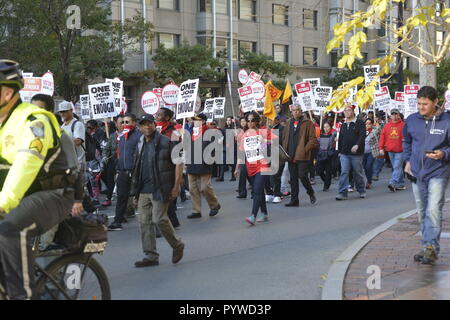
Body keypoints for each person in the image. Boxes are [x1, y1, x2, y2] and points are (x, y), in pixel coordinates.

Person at [0, 60, 83, 299]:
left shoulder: (35, 120)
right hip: (22, 197)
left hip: (53, 194)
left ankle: (23, 295)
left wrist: (4, 201)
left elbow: (27, 163)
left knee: (8, 230)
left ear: (7, 92)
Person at [403, 86, 450, 265]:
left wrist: (443, 153)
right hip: (416, 172)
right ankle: (426, 246)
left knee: (433, 209)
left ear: (435, 102)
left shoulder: (447, 121)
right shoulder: (412, 120)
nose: (421, 107)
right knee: (422, 211)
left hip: (439, 171)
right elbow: (406, 141)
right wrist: (407, 160)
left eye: (425, 104)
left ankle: (431, 247)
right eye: (419, 103)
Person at [130, 115, 184, 267]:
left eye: (149, 124)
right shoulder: (140, 142)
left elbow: (179, 164)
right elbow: (137, 167)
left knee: (159, 219)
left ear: (154, 125)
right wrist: (135, 192)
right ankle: (151, 255)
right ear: (140, 127)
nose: (146, 127)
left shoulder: (166, 142)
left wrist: (176, 186)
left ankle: (177, 245)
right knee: (144, 222)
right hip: (143, 189)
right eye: (143, 125)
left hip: (161, 187)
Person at [235, 111, 271, 225]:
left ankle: (253, 216)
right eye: (248, 121)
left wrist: (264, 142)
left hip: (262, 165)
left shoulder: (263, 132)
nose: (250, 123)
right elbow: (241, 153)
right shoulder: (244, 135)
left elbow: (273, 146)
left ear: (257, 121)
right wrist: (237, 168)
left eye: (252, 120)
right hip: (250, 166)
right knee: (259, 191)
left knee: (256, 190)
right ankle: (264, 213)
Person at [108, 113, 141, 231]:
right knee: (121, 196)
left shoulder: (139, 136)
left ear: (134, 123)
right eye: (123, 122)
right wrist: (118, 169)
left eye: (128, 122)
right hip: (123, 171)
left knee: (142, 199)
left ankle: (157, 223)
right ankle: (118, 220)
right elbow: (120, 155)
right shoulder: (122, 137)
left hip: (136, 172)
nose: (125, 124)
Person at [281, 104, 318, 207]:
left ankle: (310, 192)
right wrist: (284, 150)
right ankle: (294, 200)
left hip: (303, 155)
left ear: (301, 111)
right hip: (290, 154)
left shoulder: (308, 123)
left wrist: (305, 150)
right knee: (293, 179)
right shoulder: (289, 123)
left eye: (298, 110)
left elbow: (313, 139)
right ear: (291, 112)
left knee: (302, 176)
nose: (296, 112)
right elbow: (285, 137)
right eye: (294, 110)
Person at [185, 113, 221, 219]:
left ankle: (214, 205)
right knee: (192, 188)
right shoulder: (191, 132)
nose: (195, 122)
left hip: (204, 163)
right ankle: (196, 210)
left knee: (205, 187)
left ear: (203, 121)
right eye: (194, 120)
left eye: (197, 120)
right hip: (192, 162)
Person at [155, 107, 181, 229]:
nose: (156, 116)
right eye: (156, 114)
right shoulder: (155, 130)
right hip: (157, 167)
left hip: (169, 168)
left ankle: (169, 221)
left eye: (159, 115)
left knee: (168, 196)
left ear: (167, 118)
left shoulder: (174, 133)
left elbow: (177, 153)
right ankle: (172, 220)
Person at [336, 105, 366, 200]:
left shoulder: (359, 123)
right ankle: (342, 193)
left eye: (348, 110)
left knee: (357, 172)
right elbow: (340, 139)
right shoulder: (343, 125)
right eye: (345, 110)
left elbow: (362, 135)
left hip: (356, 154)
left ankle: (361, 190)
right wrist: (339, 151)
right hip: (344, 153)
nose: (346, 112)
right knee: (344, 172)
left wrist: (357, 145)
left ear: (353, 111)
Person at [379, 108, 405, 192]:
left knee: (397, 167)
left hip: (400, 150)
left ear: (398, 115)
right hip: (390, 150)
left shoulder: (403, 125)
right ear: (390, 115)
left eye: (395, 114)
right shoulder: (386, 126)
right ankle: (400, 183)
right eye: (392, 114)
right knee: (396, 167)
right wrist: (381, 148)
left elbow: (407, 137)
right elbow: (382, 137)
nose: (394, 115)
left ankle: (392, 182)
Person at [101, 115, 123, 207]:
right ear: (116, 124)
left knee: (122, 181)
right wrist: (105, 156)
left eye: (125, 122)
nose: (123, 125)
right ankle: (108, 197)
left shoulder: (129, 134)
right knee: (109, 178)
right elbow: (106, 148)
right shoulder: (113, 135)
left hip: (123, 161)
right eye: (120, 123)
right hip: (113, 160)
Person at [316, 122, 337, 191]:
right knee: (319, 171)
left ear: (330, 127)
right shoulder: (320, 135)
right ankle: (326, 180)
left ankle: (326, 185)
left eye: (327, 126)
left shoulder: (333, 135)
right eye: (324, 127)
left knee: (328, 171)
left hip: (329, 154)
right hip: (321, 154)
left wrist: (336, 138)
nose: (326, 128)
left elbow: (338, 134)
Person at [363, 118, 381, 189]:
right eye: (366, 124)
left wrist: (378, 125)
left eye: (369, 124)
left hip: (371, 152)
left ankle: (369, 181)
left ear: (372, 124)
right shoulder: (362, 131)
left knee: (368, 166)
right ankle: (368, 179)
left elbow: (380, 131)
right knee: (365, 167)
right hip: (363, 152)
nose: (367, 125)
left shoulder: (374, 131)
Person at [218, 116, 237, 182]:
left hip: (232, 148)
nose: (228, 121)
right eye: (227, 120)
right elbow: (221, 136)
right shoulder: (224, 128)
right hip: (225, 147)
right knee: (223, 162)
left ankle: (233, 176)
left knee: (232, 163)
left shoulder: (234, 128)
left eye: (229, 120)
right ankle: (221, 177)